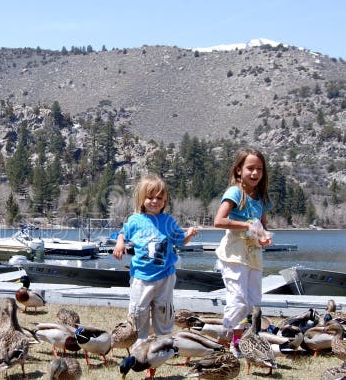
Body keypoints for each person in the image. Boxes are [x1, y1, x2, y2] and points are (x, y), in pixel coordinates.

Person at [113, 175, 198, 340]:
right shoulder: (135, 220)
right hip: (141, 276)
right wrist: (119, 243)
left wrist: (189, 235)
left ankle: (163, 340)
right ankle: (139, 340)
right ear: (141, 198)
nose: (155, 201)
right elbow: (122, 233)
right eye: (150, 197)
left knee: (163, 309)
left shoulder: (168, 221)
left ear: (165, 200)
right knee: (139, 309)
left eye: (159, 197)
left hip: (165, 275)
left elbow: (179, 242)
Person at [213, 147, 273, 355]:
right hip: (235, 254)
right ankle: (228, 337)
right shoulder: (235, 193)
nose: (255, 173)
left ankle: (244, 340)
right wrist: (246, 226)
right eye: (250, 168)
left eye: (259, 169)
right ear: (239, 170)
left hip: (254, 256)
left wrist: (264, 238)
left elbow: (263, 226)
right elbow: (218, 221)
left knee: (253, 301)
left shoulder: (262, 198)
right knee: (237, 299)